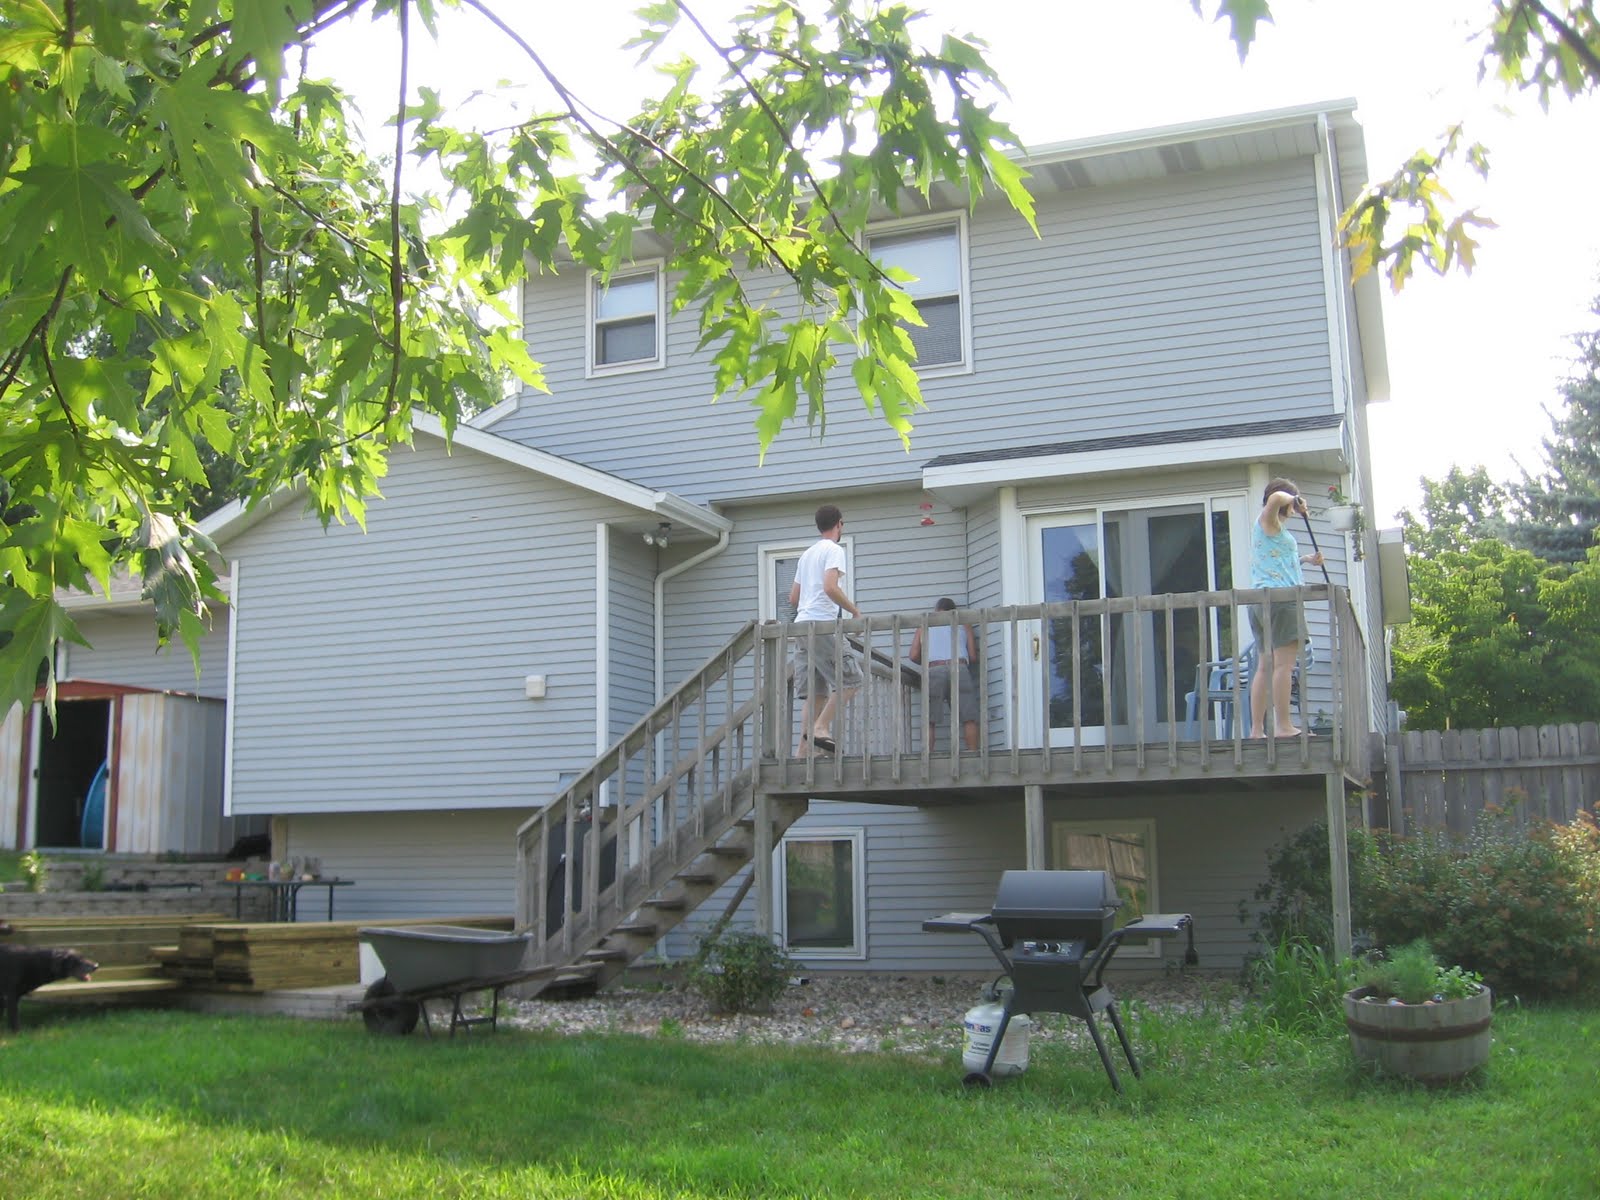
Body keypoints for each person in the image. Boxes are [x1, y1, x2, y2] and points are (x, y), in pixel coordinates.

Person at [1246, 478, 1323, 739]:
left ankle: (1257, 730)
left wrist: (1306, 560)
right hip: (1282, 601)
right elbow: (1276, 498)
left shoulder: (1271, 529)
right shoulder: (1269, 519)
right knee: (1284, 667)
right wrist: (1295, 500)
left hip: (1260, 600)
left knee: (1265, 666)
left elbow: (1278, 563)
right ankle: (1283, 726)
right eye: (1294, 501)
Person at [788, 504, 863, 754]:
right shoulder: (834, 550)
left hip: (801, 626)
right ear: (839, 524)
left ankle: (802, 753)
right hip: (821, 625)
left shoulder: (807, 555)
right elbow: (830, 587)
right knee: (852, 679)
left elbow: (793, 598)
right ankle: (820, 728)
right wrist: (854, 611)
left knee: (816, 693)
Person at [908, 597, 979, 752]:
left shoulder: (925, 624)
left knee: (929, 719)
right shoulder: (964, 623)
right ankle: (973, 754)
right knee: (969, 717)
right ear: (954, 610)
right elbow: (973, 656)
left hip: (934, 669)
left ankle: (927, 756)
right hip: (960, 667)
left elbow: (913, 655)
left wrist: (929, 661)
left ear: (936, 610)